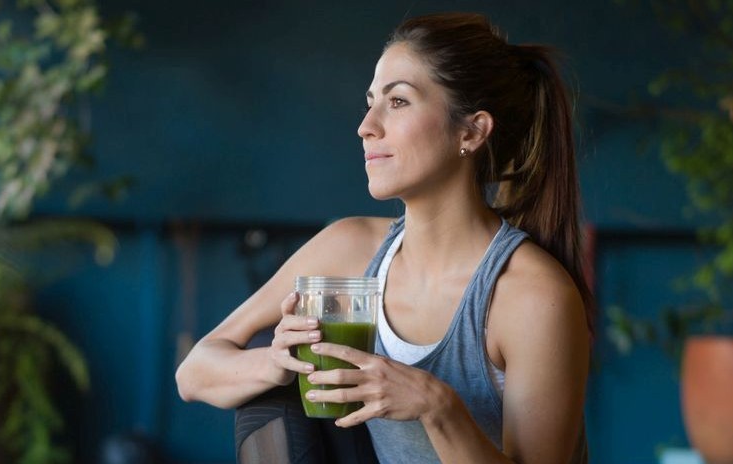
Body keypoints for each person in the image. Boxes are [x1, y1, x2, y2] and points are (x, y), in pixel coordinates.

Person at [176, 12, 592, 464]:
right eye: (370, 102)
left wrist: (438, 408)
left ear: (471, 131)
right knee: (269, 399)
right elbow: (194, 372)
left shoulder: (530, 296)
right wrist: (280, 364)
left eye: (398, 102)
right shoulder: (349, 249)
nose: (366, 126)